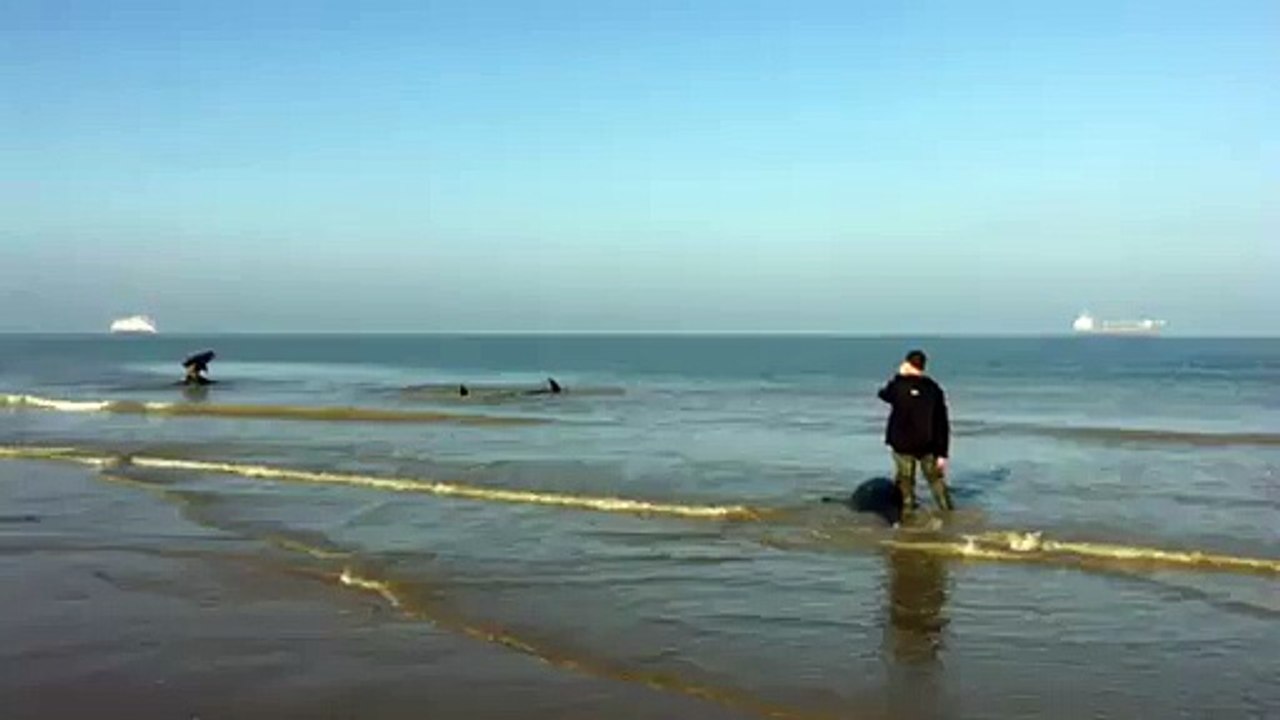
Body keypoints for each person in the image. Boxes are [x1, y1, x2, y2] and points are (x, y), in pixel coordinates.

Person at [877, 349, 953, 514]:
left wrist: (899, 376)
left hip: (903, 444)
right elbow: (942, 422)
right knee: (936, 482)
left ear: (908, 364)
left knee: (906, 482)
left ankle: (907, 518)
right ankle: (949, 514)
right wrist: (943, 453)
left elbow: (883, 394)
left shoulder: (899, 385)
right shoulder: (934, 389)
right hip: (929, 444)